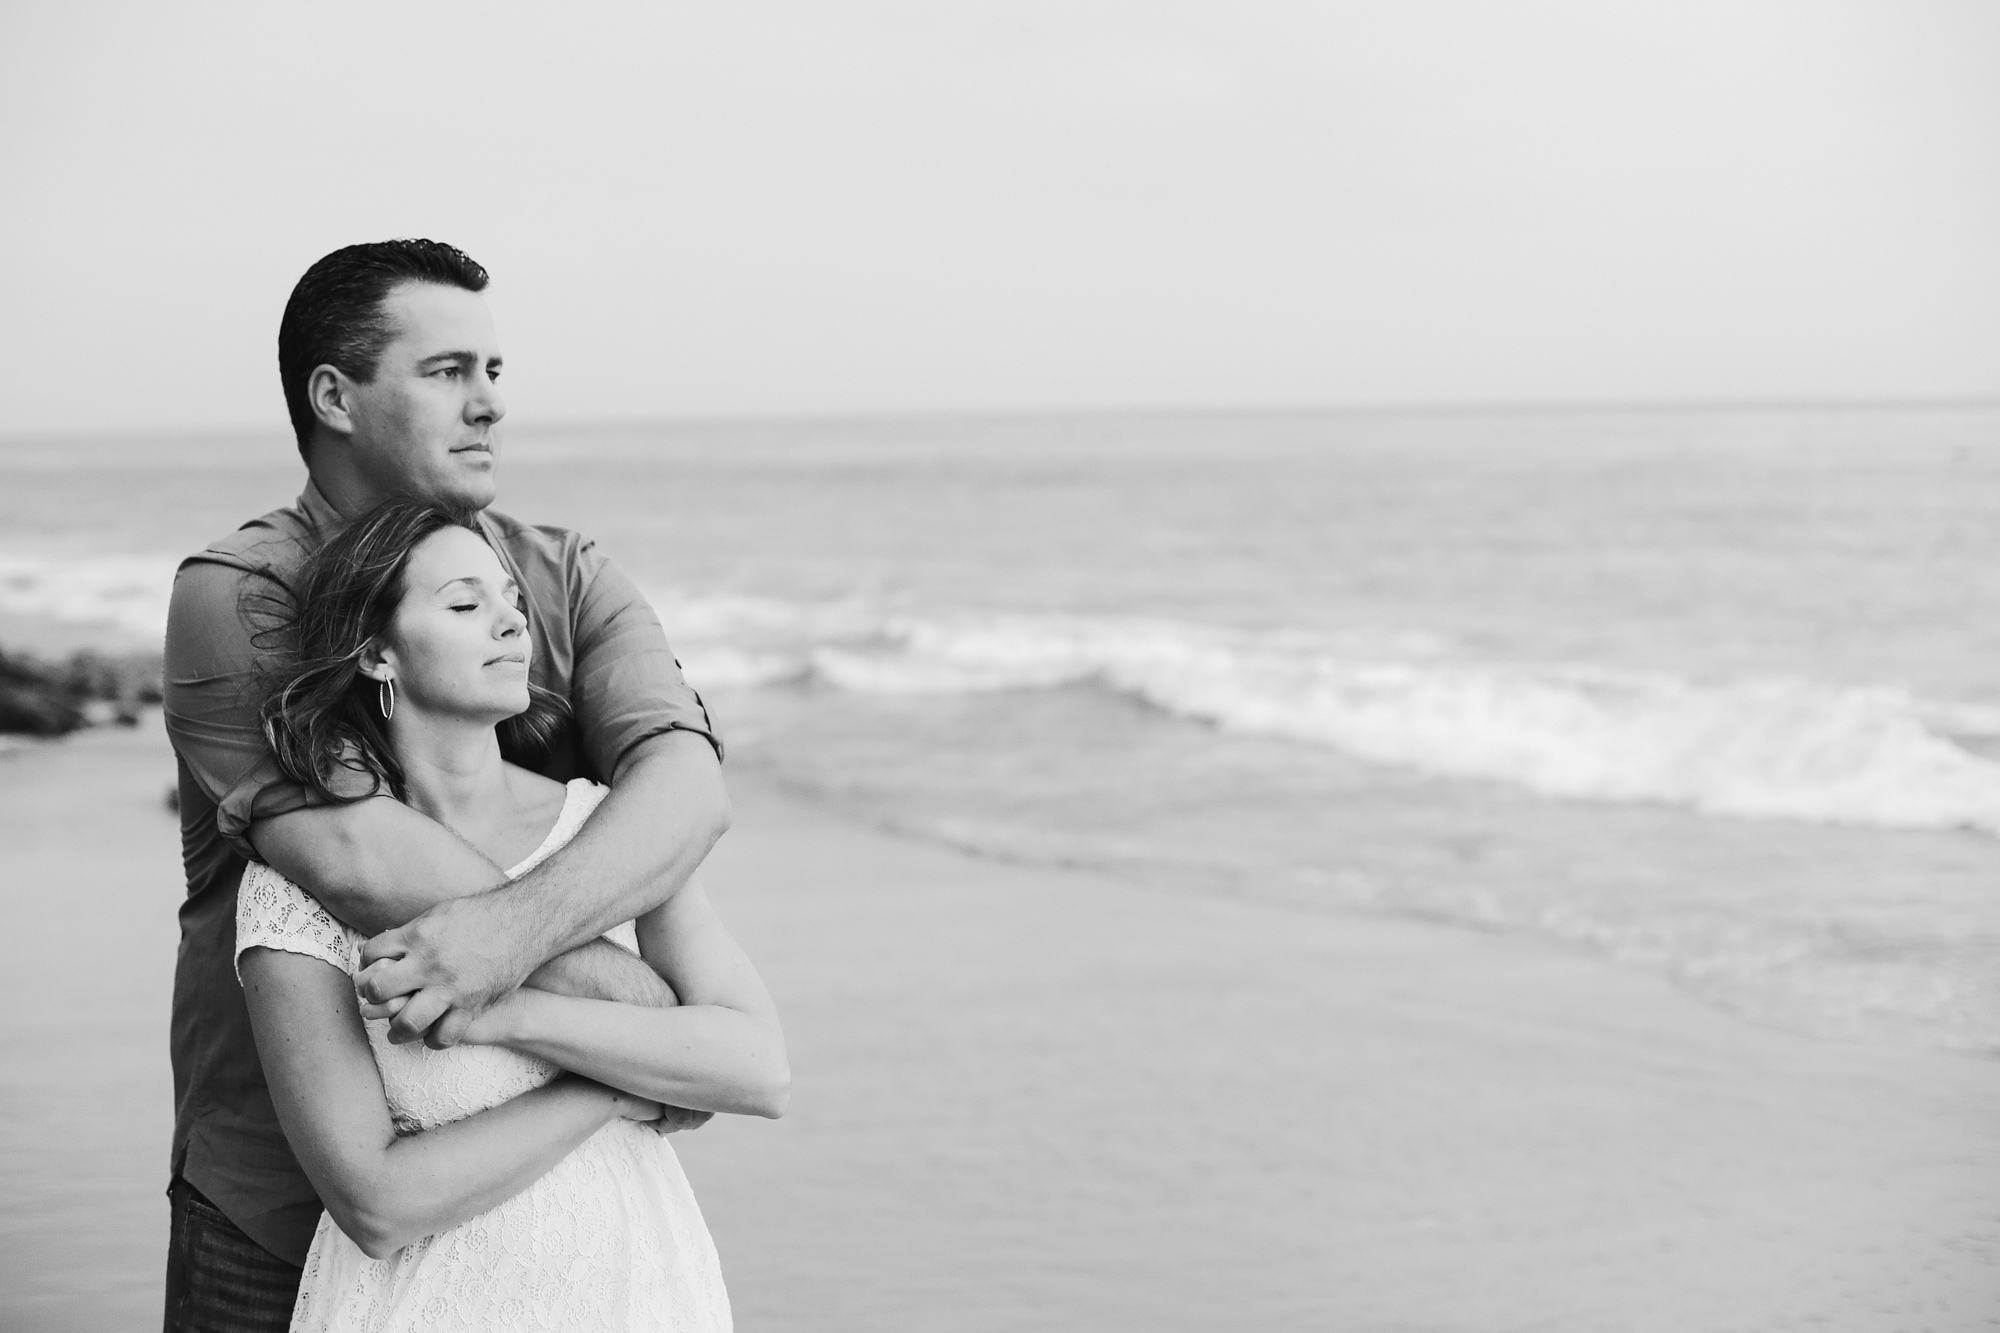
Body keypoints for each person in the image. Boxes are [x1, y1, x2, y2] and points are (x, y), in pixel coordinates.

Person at [162, 239, 732, 1331]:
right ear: (334, 395)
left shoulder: (561, 575)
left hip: (553, 1207)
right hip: (284, 1205)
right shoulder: (239, 594)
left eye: (495, 374)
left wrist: (505, 945)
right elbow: (355, 860)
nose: (488, 407)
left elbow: (686, 793)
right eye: (446, 373)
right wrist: (658, 1032)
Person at [236, 499, 785, 1329]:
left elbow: (757, 1066)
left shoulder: (608, 831)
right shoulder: (303, 882)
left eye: (511, 602)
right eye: (465, 604)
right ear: (378, 652)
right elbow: (376, 1203)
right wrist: (609, 1091)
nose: (508, 622)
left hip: (645, 1293)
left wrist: (506, 1010)